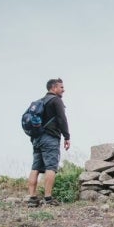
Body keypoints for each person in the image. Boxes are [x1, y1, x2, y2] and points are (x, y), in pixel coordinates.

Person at [27, 78, 71, 207]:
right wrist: (67, 136)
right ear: (53, 88)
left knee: (35, 168)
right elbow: (62, 119)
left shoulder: (40, 101)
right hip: (50, 138)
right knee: (50, 167)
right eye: (61, 87)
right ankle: (48, 198)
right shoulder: (56, 100)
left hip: (37, 139)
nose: (63, 90)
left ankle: (32, 198)